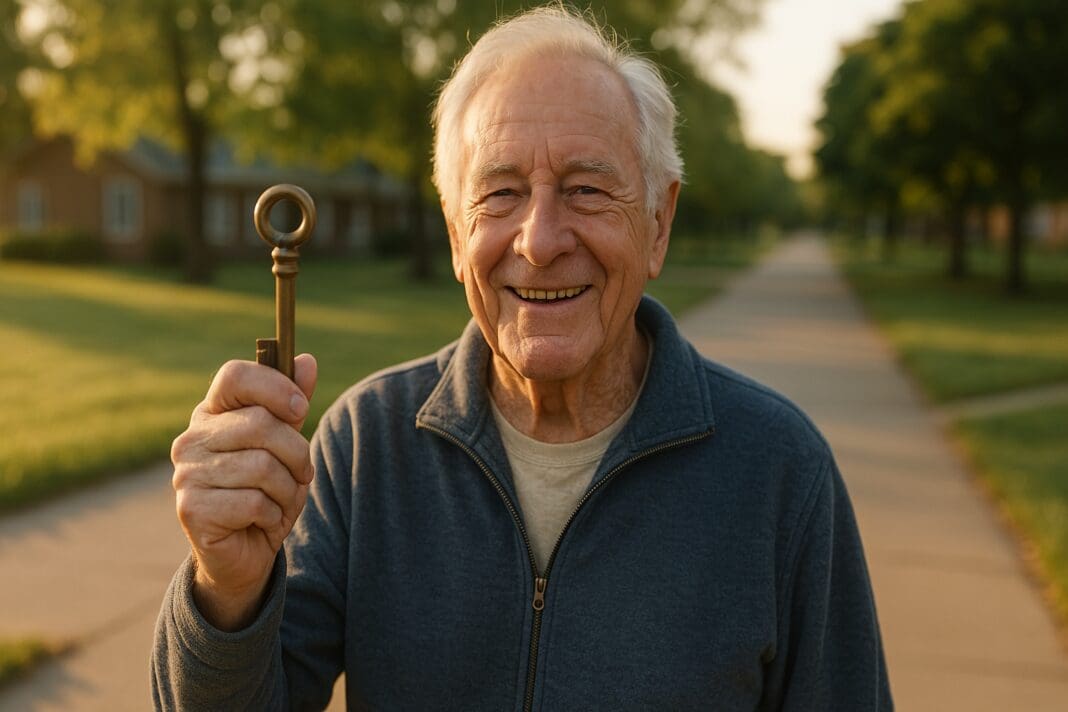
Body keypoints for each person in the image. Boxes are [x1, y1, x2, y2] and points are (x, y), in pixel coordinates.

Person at [152, 6, 892, 711]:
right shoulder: (364, 448)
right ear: (453, 235)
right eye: (499, 193)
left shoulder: (779, 471)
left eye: (586, 189)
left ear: (658, 223)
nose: (539, 240)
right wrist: (226, 589)